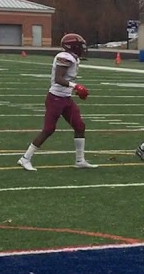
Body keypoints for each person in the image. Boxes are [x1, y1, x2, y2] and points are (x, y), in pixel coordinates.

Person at [17, 33, 96, 171]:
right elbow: (59, 79)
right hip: (55, 98)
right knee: (48, 129)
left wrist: (74, 90)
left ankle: (80, 160)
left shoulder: (73, 58)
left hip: (66, 98)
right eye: (80, 46)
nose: (83, 48)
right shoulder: (64, 57)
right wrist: (75, 86)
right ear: (73, 46)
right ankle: (25, 158)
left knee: (79, 126)